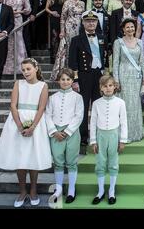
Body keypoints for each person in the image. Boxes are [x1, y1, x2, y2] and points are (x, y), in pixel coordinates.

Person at [0, 58, 52, 207]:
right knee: (19, 156)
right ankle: (22, 191)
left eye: (28, 69)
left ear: (36, 68)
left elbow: (41, 108)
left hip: (35, 123)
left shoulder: (43, 86)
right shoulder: (18, 84)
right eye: (23, 70)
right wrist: (19, 125)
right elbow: (13, 105)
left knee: (32, 156)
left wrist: (32, 127)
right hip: (17, 122)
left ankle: (33, 190)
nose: (25, 72)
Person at [45, 68, 84, 204]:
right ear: (58, 80)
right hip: (56, 133)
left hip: (71, 133)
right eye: (63, 79)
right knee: (58, 162)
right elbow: (48, 115)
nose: (65, 82)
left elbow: (79, 116)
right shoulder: (52, 98)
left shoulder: (78, 97)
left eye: (68, 79)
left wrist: (67, 131)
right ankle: (59, 189)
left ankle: (72, 189)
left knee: (71, 162)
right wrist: (54, 131)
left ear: (72, 81)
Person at [69, 11, 106, 145]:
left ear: (97, 23)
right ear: (83, 23)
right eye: (88, 21)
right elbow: (72, 62)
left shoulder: (102, 37)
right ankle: (83, 137)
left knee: (98, 106)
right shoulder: (76, 40)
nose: (91, 23)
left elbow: (105, 56)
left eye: (94, 21)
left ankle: (97, 135)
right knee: (83, 107)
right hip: (84, 76)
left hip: (99, 76)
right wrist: (75, 80)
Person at [90, 75, 127, 205]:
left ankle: (112, 191)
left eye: (110, 85)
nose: (108, 88)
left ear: (114, 87)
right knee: (100, 163)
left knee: (113, 162)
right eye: (105, 86)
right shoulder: (96, 103)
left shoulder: (120, 103)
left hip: (114, 136)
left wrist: (123, 140)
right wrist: (93, 141)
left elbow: (124, 122)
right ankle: (100, 191)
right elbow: (93, 122)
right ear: (101, 88)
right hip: (100, 136)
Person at [112, 18, 144, 142]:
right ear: (123, 29)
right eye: (128, 27)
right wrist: (116, 80)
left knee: (135, 104)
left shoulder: (139, 42)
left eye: (132, 27)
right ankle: (123, 134)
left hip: (136, 77)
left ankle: (135, 132)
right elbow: (115, 62)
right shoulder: (118, 42)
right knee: (124, 104)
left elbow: (142, 61)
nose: (130, 29)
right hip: (123, 75)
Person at [2, 0, 31, 75]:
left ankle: (20, 67)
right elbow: (3, 8)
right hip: (8, 20)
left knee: (18, 41)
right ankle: (9, 68)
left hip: (18, 19)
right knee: (10, 42)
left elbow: (28, 9)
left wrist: (19, 11)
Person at [46, 0, 67, 65]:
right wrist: (52, 13)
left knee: (63, 37)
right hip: (54, 18)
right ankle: (54, 58)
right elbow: (46, 8)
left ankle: (63, 57)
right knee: (55, 37)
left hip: (63, 18)